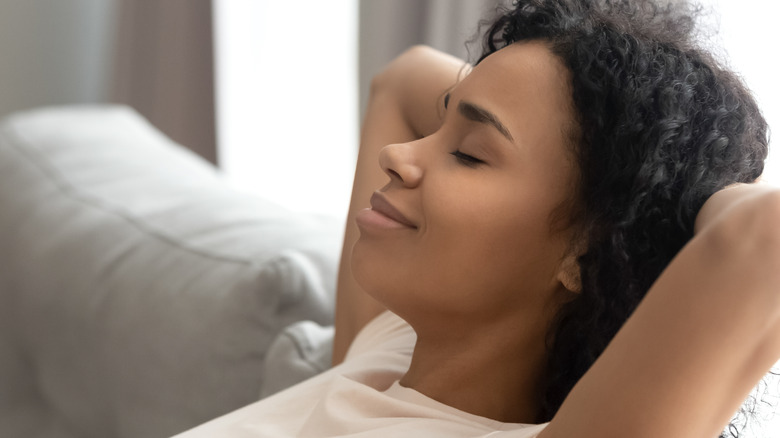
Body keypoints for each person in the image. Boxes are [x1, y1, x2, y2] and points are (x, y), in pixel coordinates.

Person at [176, 0, 779, 437]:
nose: (397, 155)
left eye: (468, 153)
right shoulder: (380, 354)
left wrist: (655, 204)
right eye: (441, 127)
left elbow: (764, 237)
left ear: (586, 252)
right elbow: (402, 80)